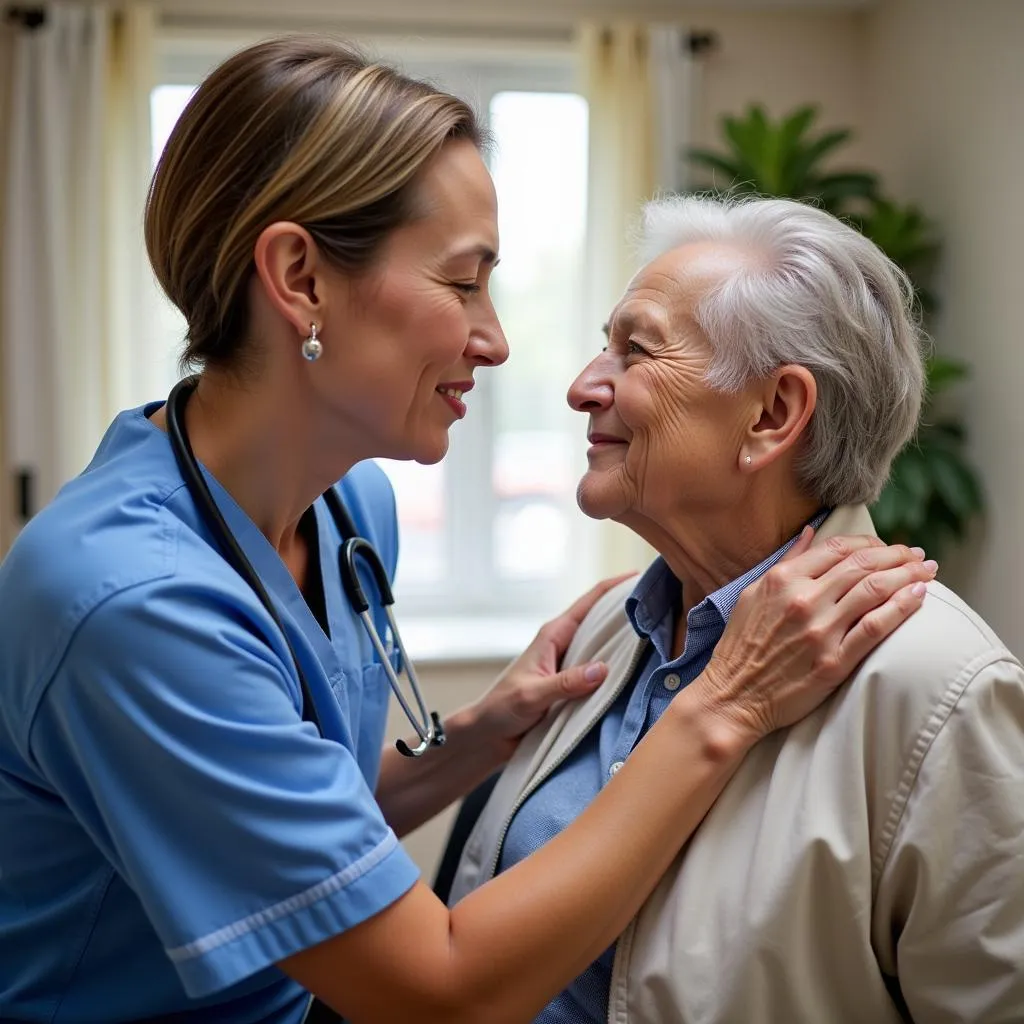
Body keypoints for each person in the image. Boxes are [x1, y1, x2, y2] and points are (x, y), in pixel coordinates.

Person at [0, 39, 936, 1024]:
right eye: (463, 282)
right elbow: (433, 991)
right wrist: (727, 702)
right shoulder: (126, 599)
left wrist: (477, 740)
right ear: (299, 278)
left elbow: (293, 819)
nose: (495, 339)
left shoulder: (350, 513)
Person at [447, 194, 1024, 1023]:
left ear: (772, 415)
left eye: (634, 351)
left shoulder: (936, 686)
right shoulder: (606, 626)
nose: (581, 387)